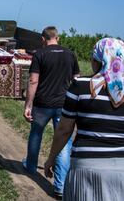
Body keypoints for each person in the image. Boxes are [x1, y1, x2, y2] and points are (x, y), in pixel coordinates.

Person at [44, 38, 124, 200]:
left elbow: (64, 130)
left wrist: (51, 158)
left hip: (85, 167)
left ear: (97, 61)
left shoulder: (80, 86)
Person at [23, 26, 80, 197]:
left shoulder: (40, 54)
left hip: (42, 103)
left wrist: (28, 104)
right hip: (64, 104)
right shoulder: (70, 54)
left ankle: (31, 166)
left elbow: (33, 81)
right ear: (58, 38)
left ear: (43, 39)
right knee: (63, 141)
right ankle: (61, 186)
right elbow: (76, 79)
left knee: (36, 134)